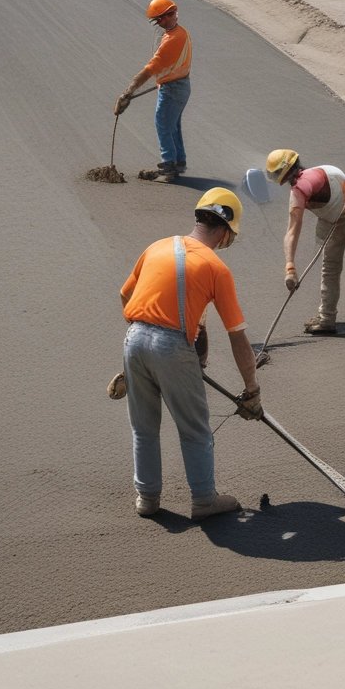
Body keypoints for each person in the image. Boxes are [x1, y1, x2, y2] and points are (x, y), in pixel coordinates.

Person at [120, 187, 262, 520]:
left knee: (144, 427)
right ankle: (203, 500)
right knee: (195, 429)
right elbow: (238, 338)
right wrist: (251, 391)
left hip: (134, 338)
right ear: (225, 230)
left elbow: (125, 297)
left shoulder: (157, 247)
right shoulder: (215, 267)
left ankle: (147, 498)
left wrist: (140, 354)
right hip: (170, 347)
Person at [266, 149, 345, 334]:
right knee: (335, 267)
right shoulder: (316, 176)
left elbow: (292, 230)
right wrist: (290, 268)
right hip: (331, 220)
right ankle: (327, 318)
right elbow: (294, 229)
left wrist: (290, 267)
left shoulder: (300, 188)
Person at [114, 0, 192, 178]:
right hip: (181, 85)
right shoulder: (181, 32)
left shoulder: (172, 40)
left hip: (173, 89)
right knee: (173, 126)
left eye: (161, 18)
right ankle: (179, 161)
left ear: (170, 15)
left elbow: (150, 70)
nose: (159, 23)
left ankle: (168, 165)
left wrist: (128, 92)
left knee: (163, 124)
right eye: (156, 20)